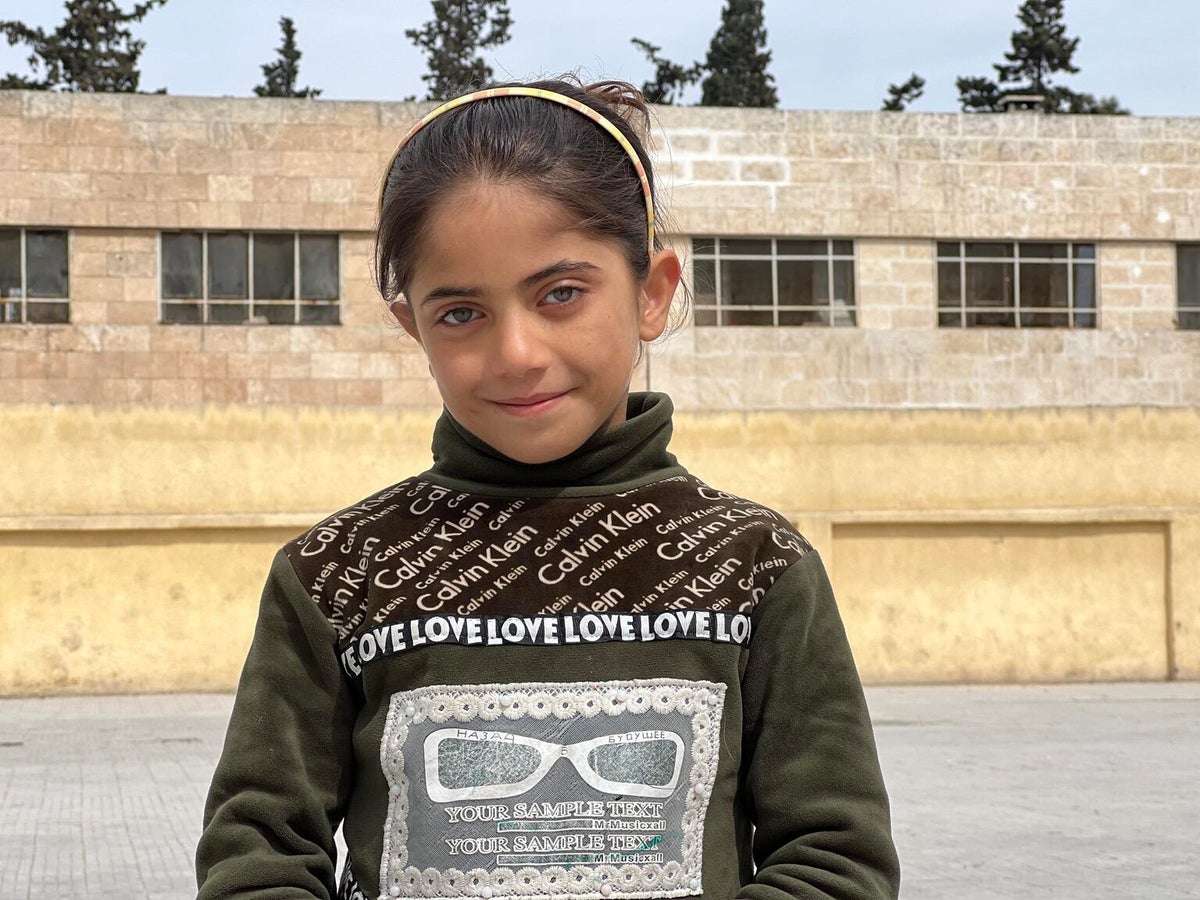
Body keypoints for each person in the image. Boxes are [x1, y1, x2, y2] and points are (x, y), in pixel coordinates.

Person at [196, 78, 900, 900]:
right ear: (411, 325)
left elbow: (834, 858)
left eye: (561, 294)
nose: (518, 352)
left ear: (651, 292)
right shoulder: (335, 576)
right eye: (461, 312)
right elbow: (260, 851)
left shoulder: (755, 568)